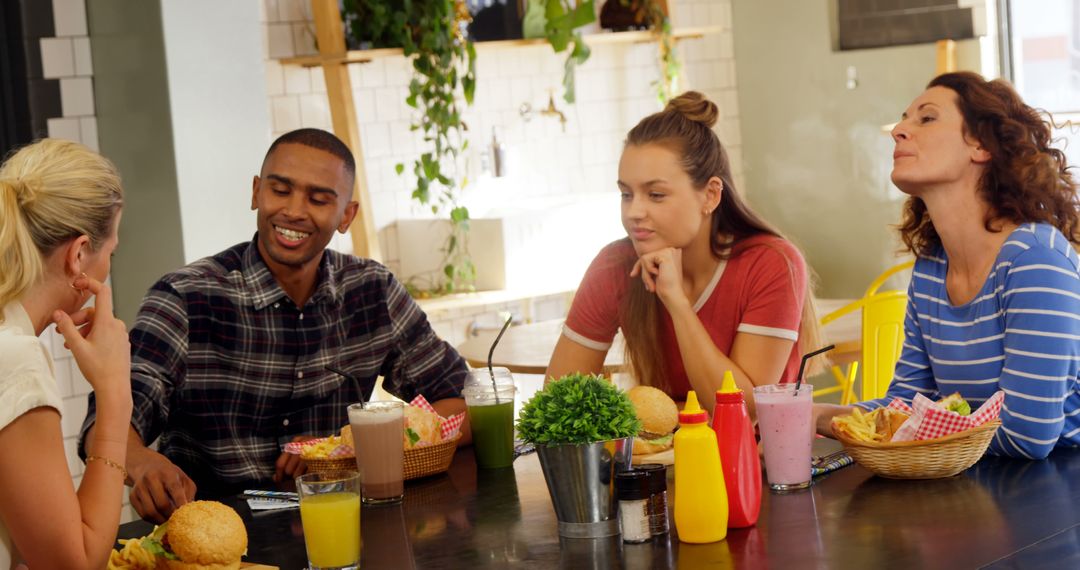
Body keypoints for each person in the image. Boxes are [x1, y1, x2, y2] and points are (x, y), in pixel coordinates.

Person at [79, 128, 470, 522]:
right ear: (255, 193)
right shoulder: (185, 297)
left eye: (318, 199)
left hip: (341, 523)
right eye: (280, 190)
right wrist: (143, 462)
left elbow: (461, 403)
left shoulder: (372, 291)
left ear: (346, 216)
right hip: (216, 538)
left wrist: (341, 451)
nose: (294, 211)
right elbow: (108, 422)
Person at [815, 72, 1080, 460]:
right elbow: (906, 403)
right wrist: (824, 416)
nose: (899, 131)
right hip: (982, 482)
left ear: (980, 146)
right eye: (904, 118)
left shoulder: (1034, 260)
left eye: (926, 118)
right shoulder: (932, 270)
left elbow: (1027, 435)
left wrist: (915, 426)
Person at [545, 91, 822, 415]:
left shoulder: (771, 263)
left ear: (710, 195)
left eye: (656, 194)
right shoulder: (615, 266)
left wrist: (676, 303)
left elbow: (742, 412)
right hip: (660, 462)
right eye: (626, 194)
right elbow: (557, 403)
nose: (634, 211)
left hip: (764, 461)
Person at [0, 139, 130, 569]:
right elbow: (71, 565)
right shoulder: (16, 358)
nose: (108, 265)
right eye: (110, 252)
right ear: (78, 255)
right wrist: (114, 394)